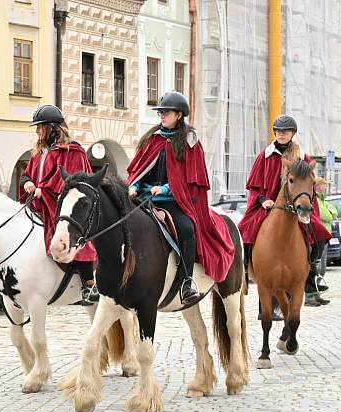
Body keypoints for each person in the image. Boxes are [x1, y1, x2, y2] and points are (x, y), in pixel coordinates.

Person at [126, 91, 235, 306]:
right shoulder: (152, 139)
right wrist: (134, 185)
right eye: (160, 113)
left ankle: (186, 281)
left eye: (166, 113)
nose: (162, 116)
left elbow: (191, 180)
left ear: (179, 114)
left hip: (174, 201)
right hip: (144, 198)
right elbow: (138, 169)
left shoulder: (190, 142)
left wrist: (166, 189)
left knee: (186, 228)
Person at [237, 114, 331, 300]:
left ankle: (312, 281)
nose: (281, 134)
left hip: (297, 207)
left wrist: (303, 204)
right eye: (278, 131)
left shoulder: (302, 157)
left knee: (318, 233)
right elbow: (254, 188)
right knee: (244, 231)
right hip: (269, 206)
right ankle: (244, 273)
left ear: (292, 133)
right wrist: (263, 200)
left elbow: (309, 185)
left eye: (285, 131)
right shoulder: (265, 156)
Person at [18, 104, 99, 304]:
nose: (37, 131)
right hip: (37, 205)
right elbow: (27, 174)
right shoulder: (38, 153)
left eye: (40, 127)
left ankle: (89, 285)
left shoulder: (73, 151)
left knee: (77, 238)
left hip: (61, 206)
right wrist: (27, 182)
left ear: (53, 128)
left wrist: (43, 189)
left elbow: (71, 181)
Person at [305, 176, 337, 306]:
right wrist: (329, 214)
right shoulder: (314, 197)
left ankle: (315, 292)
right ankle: (309, 295)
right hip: (316, 234)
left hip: (323, 237)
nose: (325, 187)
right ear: (317, 186)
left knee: (320, 267)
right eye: (323, 185)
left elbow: (333, 212)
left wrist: (329, 213)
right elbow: (326, 215)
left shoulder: (321, 199)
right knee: (314, 265)